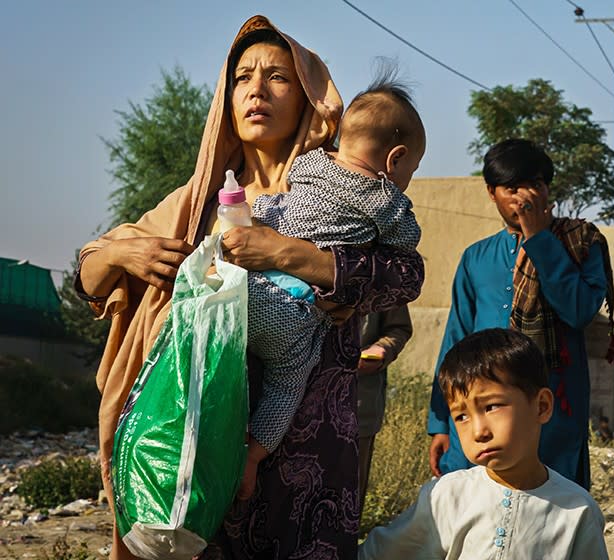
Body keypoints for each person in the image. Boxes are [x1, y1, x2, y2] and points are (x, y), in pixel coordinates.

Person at [75, 15, 424, 560]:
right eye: (242, 77)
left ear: (309, 96)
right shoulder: (196, 203)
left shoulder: (346, 187)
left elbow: (406, 276)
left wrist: (292, 255)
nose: (256, 89)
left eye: (277, 77)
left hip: (306, 467)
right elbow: (89, 279)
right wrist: (123, 250)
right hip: (197, 453)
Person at [239, 74, 424, 500]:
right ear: (395, 159)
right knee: (288, 381)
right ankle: (253, 456)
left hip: (249, 293)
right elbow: (407, 246)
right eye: (412, 170)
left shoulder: (307, 164)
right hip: (293, 313)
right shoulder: (382, 198)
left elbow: (281, 205)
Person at [426, 138, 614, 489]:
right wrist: (439, 423)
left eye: (536, 185)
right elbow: (456, 339)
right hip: (480, 411)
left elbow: (578, 311)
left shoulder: (581, 244)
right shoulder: (476, 258)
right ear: (491, 192)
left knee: (553, 507)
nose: (524, 197)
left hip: (552, 410)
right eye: (513, 188)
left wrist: (539, 239)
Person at [360, 328, 608, 559]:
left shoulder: (578, 511)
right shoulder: (448, 496)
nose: (478, 432)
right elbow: (379, 553)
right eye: (462, 416)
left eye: (492, 407)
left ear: (541, 406)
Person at [357, 305, 413, 509]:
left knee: (346, 507)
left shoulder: (381, 272)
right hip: (290, 404)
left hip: (358, 405)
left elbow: (398, 328)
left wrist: (383, 349)